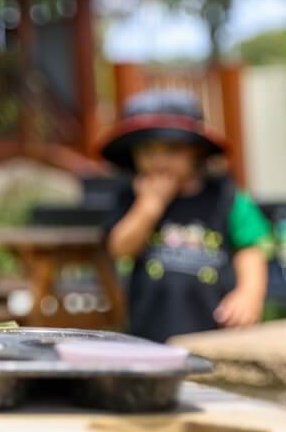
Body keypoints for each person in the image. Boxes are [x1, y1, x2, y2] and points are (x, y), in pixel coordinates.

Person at [100, 89, 270, 343]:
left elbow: (250, 248)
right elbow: (119, 248)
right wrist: (150, 206)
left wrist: (249, 294)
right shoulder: (132, 198)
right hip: (151, 335)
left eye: (171, 148)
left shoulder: (226, 198)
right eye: (147, 151)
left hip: (216, 332)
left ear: (196, 151)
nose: (158, 160)